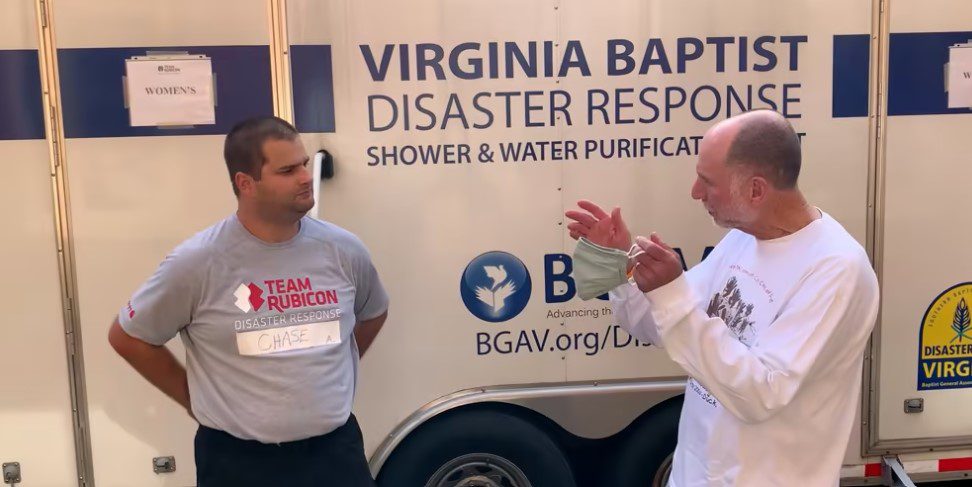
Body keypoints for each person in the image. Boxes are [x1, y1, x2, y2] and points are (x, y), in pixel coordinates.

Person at [566, 110, 879, 486]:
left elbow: (760, 394)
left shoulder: (835, 269)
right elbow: (663, 326)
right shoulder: (744, 238)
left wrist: (670, 294)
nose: (696, 193)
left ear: (756, 190)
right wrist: (623, 263)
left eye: (707, 182)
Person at [108, 116, 389, 487]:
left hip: (334, 455)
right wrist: (196, 400)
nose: (306, 177)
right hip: (238, 463)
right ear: (246, 183)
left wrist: (331, 373)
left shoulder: (343, 250)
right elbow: (129, 337)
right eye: (287, 170)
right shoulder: (198, 262)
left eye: (304, 164)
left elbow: (372, 313)